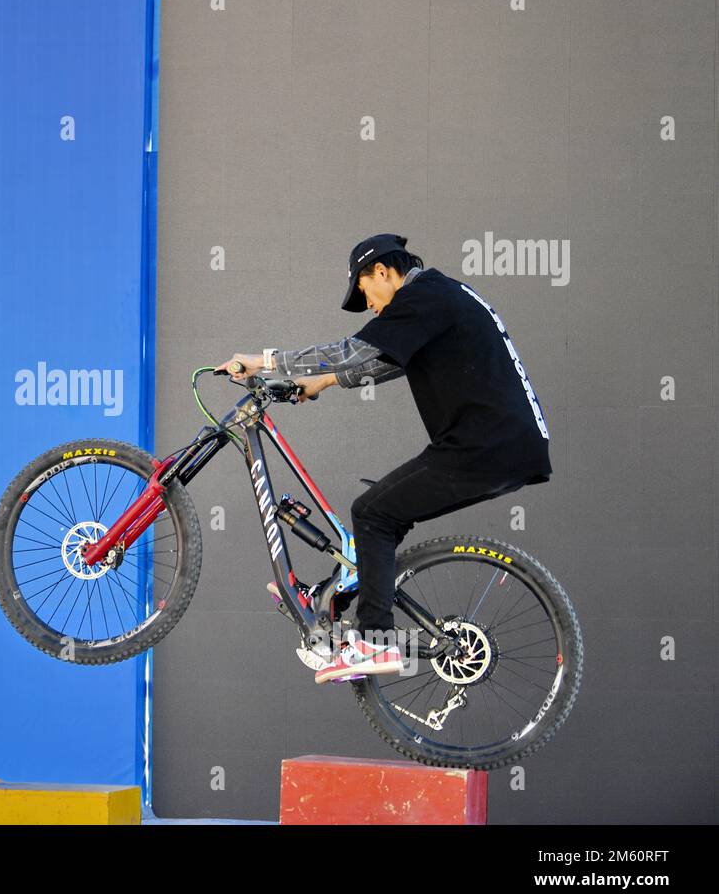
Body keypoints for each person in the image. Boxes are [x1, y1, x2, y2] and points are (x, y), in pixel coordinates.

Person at [215, 233, 552, 685]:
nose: (370, 306)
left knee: (372, 514)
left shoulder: (422, 296)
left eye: (365, 294)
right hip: (503, 445)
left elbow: (352, 351)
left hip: (485, 447)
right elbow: (381, 364)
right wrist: (325, 383)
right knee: (383, 512)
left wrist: (264, 362)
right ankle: (339, 598)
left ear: (382, 271)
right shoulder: (441, 296)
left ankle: (373, 641)